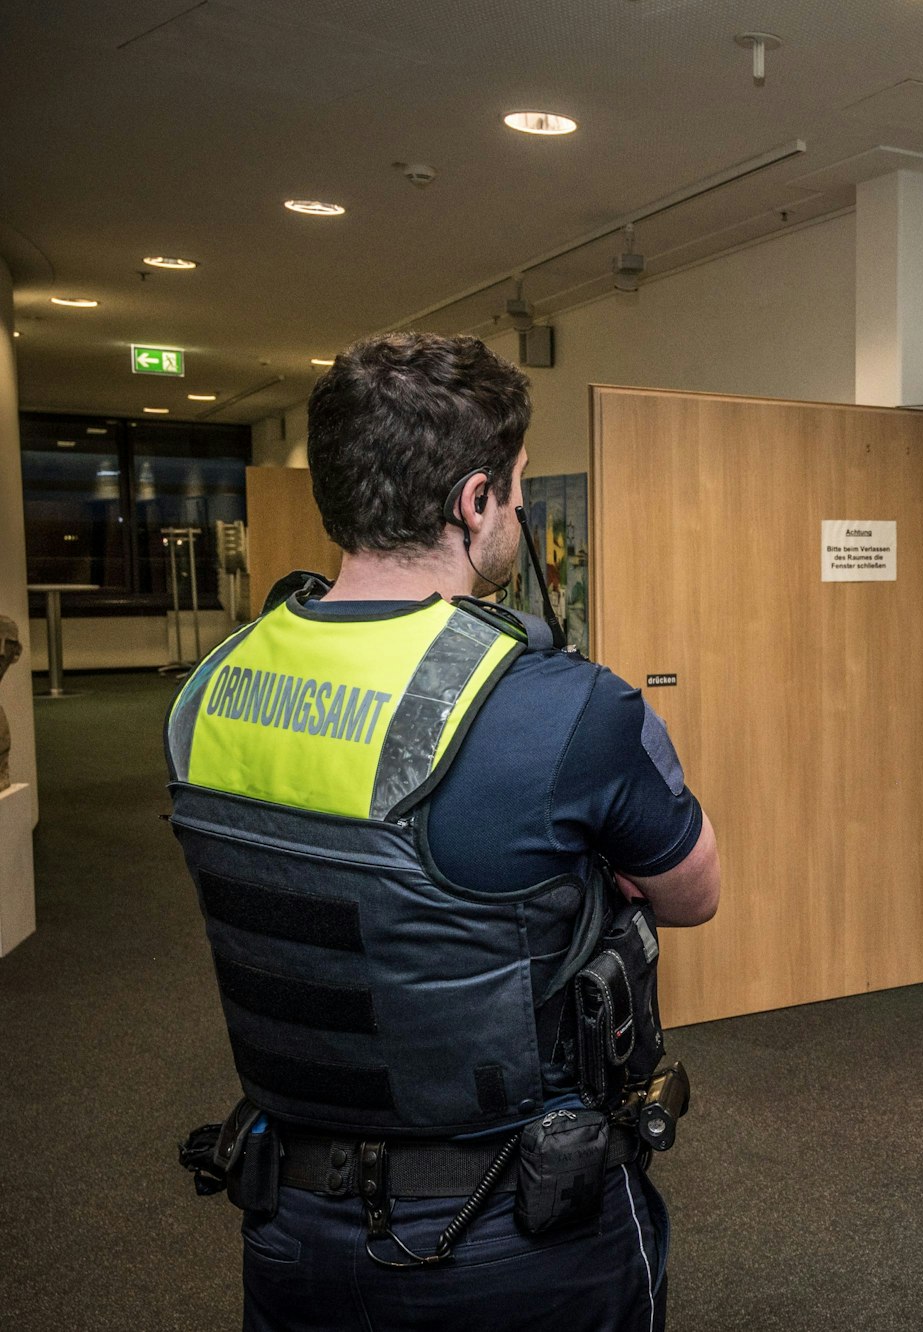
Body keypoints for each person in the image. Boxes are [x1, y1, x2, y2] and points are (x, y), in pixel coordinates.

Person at [164, 332, 722, 1332]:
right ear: (473, 503)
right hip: (512, 1230)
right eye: (511, 492)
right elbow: (692, 893)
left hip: (290, 1217)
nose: (513, 511)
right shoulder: (563, 711)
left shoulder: (213, 689)